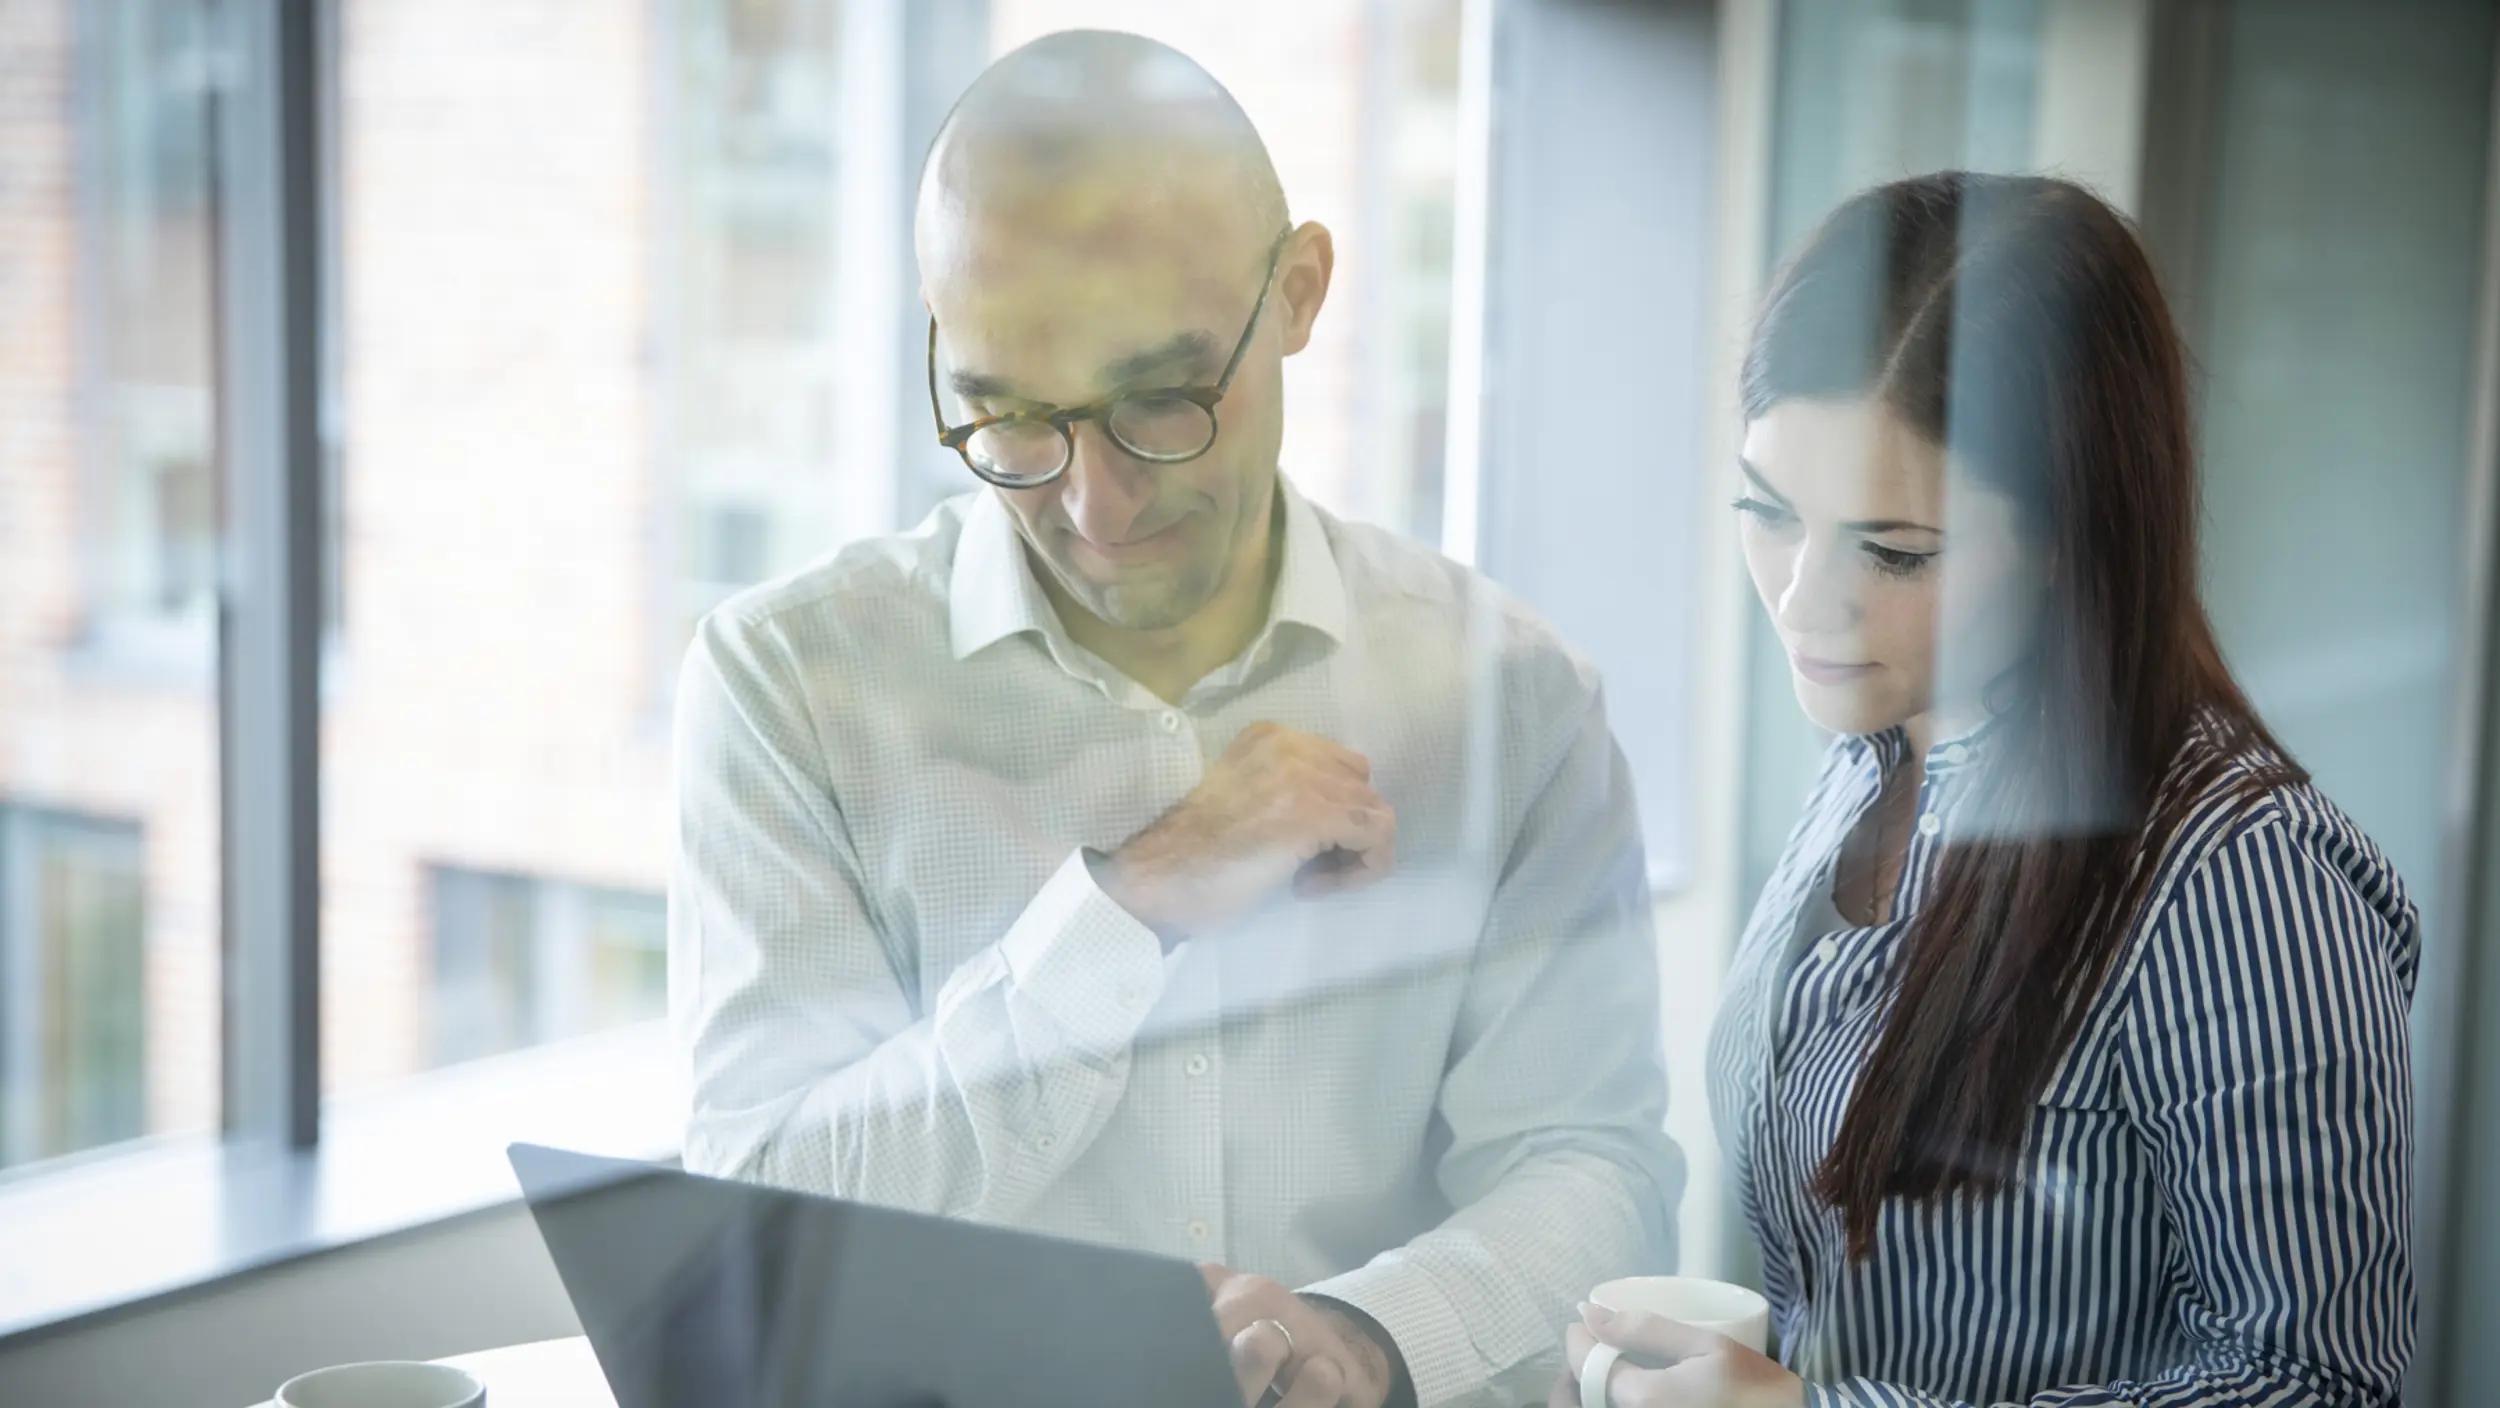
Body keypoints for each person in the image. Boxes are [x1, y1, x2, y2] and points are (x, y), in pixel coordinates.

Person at [668, 29, 1682, 1408]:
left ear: (1303, 293)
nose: (1097, 505)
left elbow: (1593, 1167)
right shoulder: (781, 688)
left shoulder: (1515, 700)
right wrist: (1131, 903)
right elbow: (760, 1240)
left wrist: (1364, 1337)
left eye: (1162, 402)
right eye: (1010, 418)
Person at [1558, 172, 2417, 1407]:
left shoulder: (2240, 875)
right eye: (1769, 512)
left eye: (1895, 551)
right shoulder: (1873, 756)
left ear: (2078, 528)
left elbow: (2310, 1381)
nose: (1803, 601)